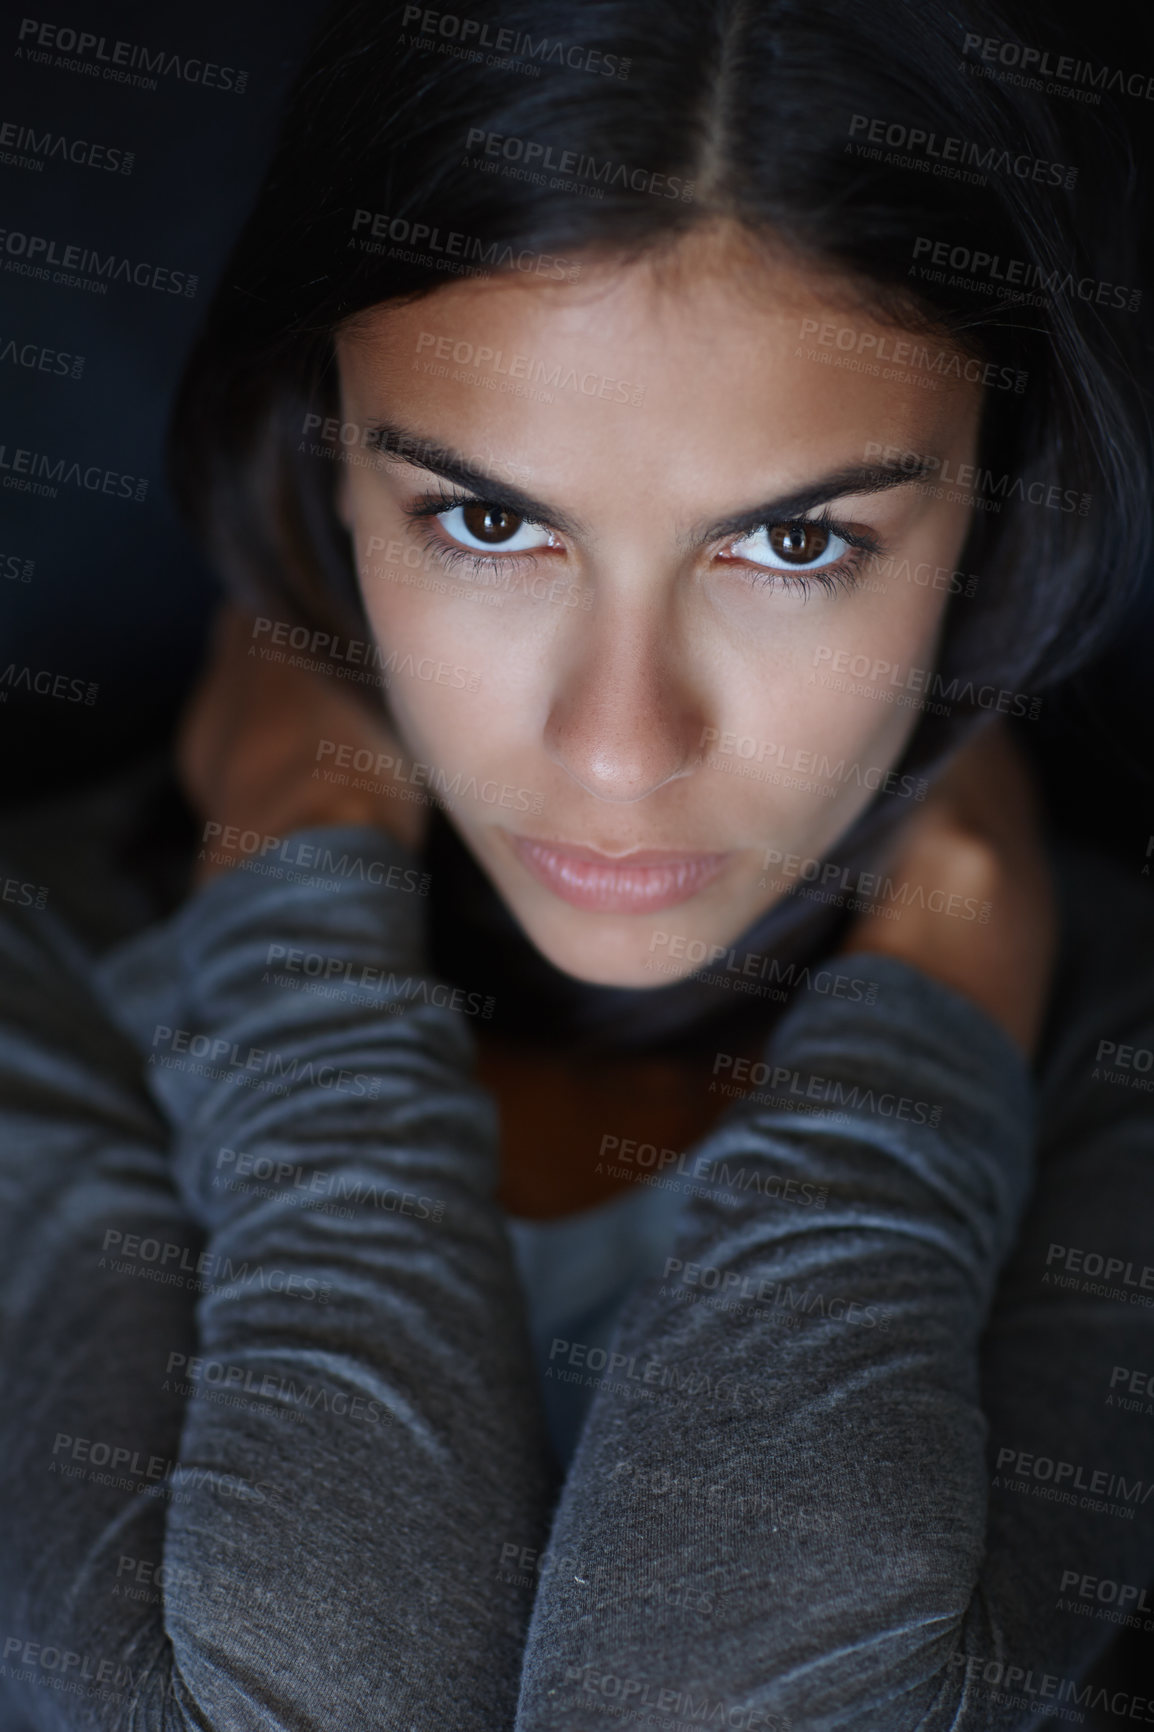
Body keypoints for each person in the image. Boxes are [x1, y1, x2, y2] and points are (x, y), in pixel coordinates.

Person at [1, 0, 1152, 1727]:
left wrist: (939, 1014)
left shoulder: (1116, 1062)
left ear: (993, 505)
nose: (618, 747)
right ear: (324, 456)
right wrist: (299, 913)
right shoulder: (35, 969)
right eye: (486, 521)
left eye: (793, 540)